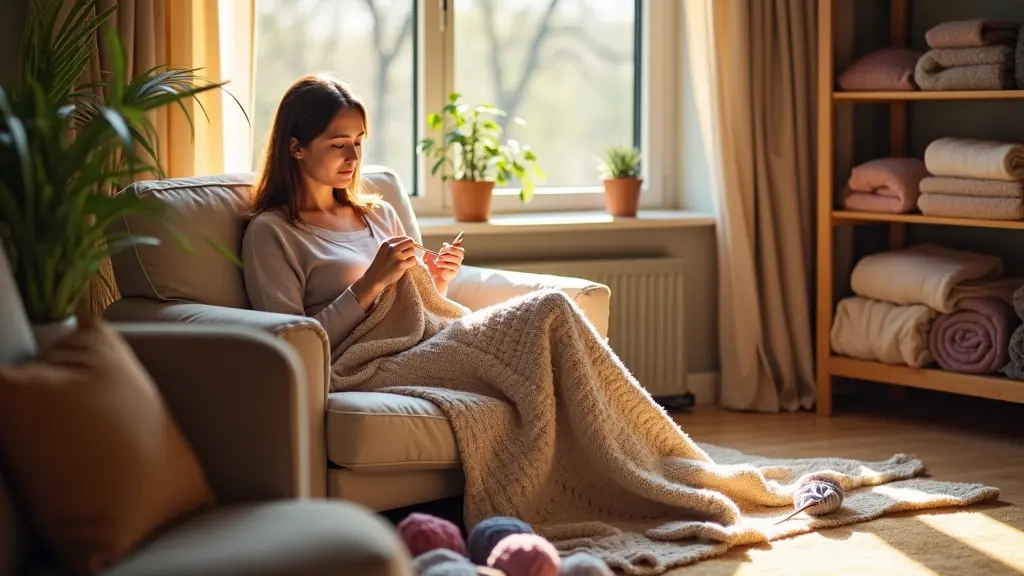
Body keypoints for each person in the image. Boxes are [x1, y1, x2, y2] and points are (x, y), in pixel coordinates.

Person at [241, 73, 465, 350]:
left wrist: (436, 282)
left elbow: (415, 317)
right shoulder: (273, 232)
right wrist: (371, 282)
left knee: (531, 317)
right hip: (368, 362)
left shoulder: (381, 214)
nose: (354, 158)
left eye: (358, 142)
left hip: (423, 346)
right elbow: (293, 346)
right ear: (297, 148)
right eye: (339, 145)